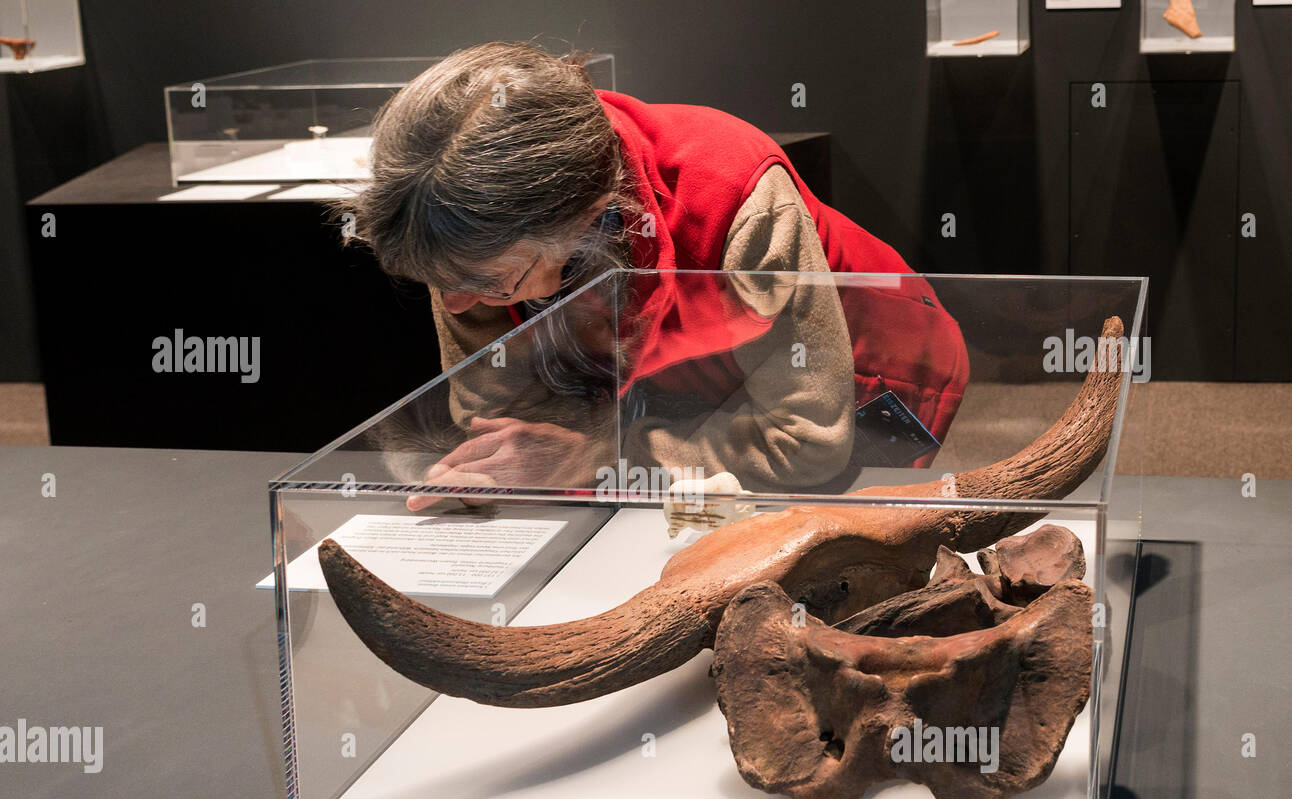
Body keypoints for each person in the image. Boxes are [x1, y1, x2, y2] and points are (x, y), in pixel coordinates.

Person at [340, 42, 968, 499]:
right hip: (692, 390)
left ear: (585, 216)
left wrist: (599, 456)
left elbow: (805, 442)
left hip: (868, 379)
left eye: (488, 284)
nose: (456, 305)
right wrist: (521, 460)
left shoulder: (732, 194)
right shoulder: (469, 241)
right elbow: (502, 414)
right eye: (438, 282)